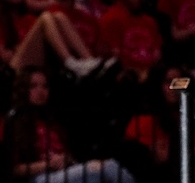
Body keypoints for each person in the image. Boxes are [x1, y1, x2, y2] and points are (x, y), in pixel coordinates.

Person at [8, 65, 138, 183]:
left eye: (45, 86)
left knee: (98, 177)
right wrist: (48, 164)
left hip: (62, 173)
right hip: (39, 178)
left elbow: (67, 154)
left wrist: (65, 159)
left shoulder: (52, 121)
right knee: (106, 166)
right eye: (33, 86)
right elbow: (13, 169)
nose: (41, 91)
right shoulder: (14, 121)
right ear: (23, 89)